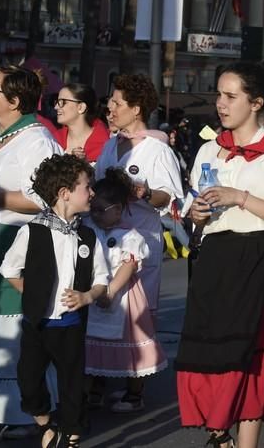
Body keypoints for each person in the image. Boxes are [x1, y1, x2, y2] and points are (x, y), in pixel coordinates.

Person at [175, 61, 264, 448]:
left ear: (256, 102)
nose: (221, 103)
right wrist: (196, 214)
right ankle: (220, 433)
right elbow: (195, 209)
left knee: (249, 356)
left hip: (260, 257)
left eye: (231, 96)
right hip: (216, 254)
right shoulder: (208, 150)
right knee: (211, 351)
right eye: (219, 94)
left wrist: (240, 198)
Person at [0, 154, 109, 448]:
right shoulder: (32, 231)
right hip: (38, 323)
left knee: (73, 384)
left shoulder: (87, 236)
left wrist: (87, 295)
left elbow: (102, 279)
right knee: (29, 379)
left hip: (71, 324)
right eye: (87, 186)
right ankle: (46, 426)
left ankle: (71, 437)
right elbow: (9, 269)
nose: (92, 192)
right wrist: (33, 294)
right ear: (64, 194)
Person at [95, 74, 183, 409]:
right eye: (110, 102)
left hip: (140, 243)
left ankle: (136, 390)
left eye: (117, 103)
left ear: (137, 109)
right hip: (105, 240)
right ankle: (98, 379)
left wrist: (143, 192)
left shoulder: (156, 149)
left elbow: (169, 197)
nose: (110, 108)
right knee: (103, 307)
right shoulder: (109, 144)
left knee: (137, 316)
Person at [0, 65, 64, 440]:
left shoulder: (37, 139)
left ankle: (25, 412)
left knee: (13, 324)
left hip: (17, 239)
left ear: (14, 100)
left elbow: (47, 197)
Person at [83, 167, 167, 412]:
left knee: (132, 342)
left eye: (102, 210)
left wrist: (111, 291)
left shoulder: (129, 235)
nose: (96, 215)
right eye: (93, 209)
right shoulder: (92, 229)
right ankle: (96, 387)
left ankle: (134, 393)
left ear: (118, 209)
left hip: (124, 296)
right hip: (97, 292)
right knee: (94, 341)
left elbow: (129, 264)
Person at [53, 83, 110, 163]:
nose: (56, 107)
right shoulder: (54, 140)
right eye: (57, 102)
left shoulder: (107, 145)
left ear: (81, 107)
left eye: (63, 102)